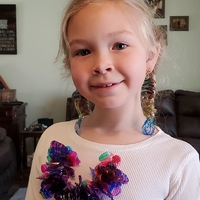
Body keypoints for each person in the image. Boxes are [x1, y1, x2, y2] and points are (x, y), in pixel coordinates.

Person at [25, 0, 200, 199]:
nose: (101, 65)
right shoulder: (51, 139)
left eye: (120, 45)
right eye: (83, 51)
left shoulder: (180, 162)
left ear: (150, 57)